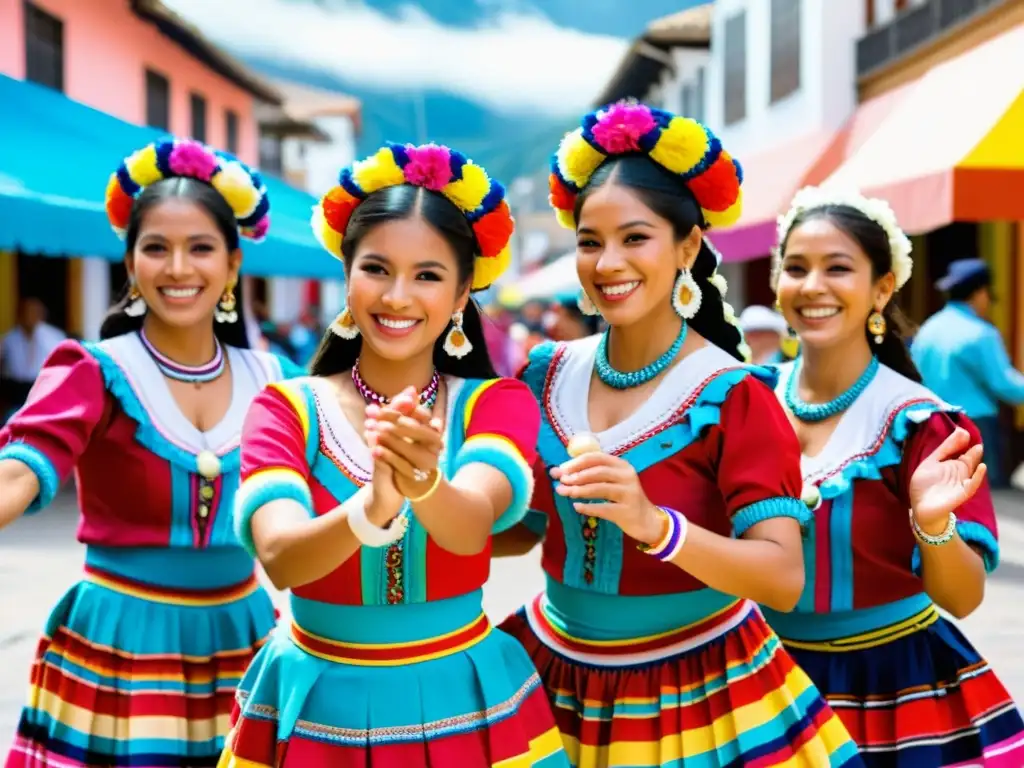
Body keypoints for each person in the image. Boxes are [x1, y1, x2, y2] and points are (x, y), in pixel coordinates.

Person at [496, 103, 861, 767]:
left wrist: (652, 524)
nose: (607, 262)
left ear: (688, 247)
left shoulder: (730, 395)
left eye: (635, 238)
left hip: (690, 692)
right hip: (550, 672)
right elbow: (528, 528)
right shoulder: (544, 373)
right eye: (588, 240)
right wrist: (426, 494)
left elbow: (781, 577)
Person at [218, 143, 570, 767]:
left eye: (428, 275)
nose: (398, 295)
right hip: (318, 702)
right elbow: (280, 558)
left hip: (461, 695)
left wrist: (424, 484)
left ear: (463, 293)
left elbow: (471, 532)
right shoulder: (285, 409)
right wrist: (370, 506)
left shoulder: (495, 404)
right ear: (346, 274)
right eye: (376, 268)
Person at [0, 137, 303, 768]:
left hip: (243, 637)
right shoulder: (93, 370)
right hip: (122, 641)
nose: (177, 268)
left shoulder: (280, 379)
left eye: (200, 248)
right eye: (156, 248)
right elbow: (21, 470)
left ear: (233, 262)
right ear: (131, 260)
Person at [766, 186, 1024, 766]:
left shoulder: (924, 426)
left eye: (838, 268)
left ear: (882, 287)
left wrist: (930, 523)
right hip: (763, 677)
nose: (813, 286)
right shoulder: (743, 401)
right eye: (796, 267)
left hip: (891, 687)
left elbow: (963, 598)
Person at [912, 258, 1024, 488]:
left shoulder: (927, 330)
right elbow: (1003, 383)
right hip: (974, 427)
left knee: (943, 495)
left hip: (932, 425)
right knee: (986, 499)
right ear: (980, 293)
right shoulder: (981, 334)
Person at [0, 298, 66, 420]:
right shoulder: (8, 339)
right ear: (20, 315)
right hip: (16, 393)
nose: (31, 316)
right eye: (27, 312)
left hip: (43, 390)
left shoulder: (54, 337)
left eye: (35, 312)